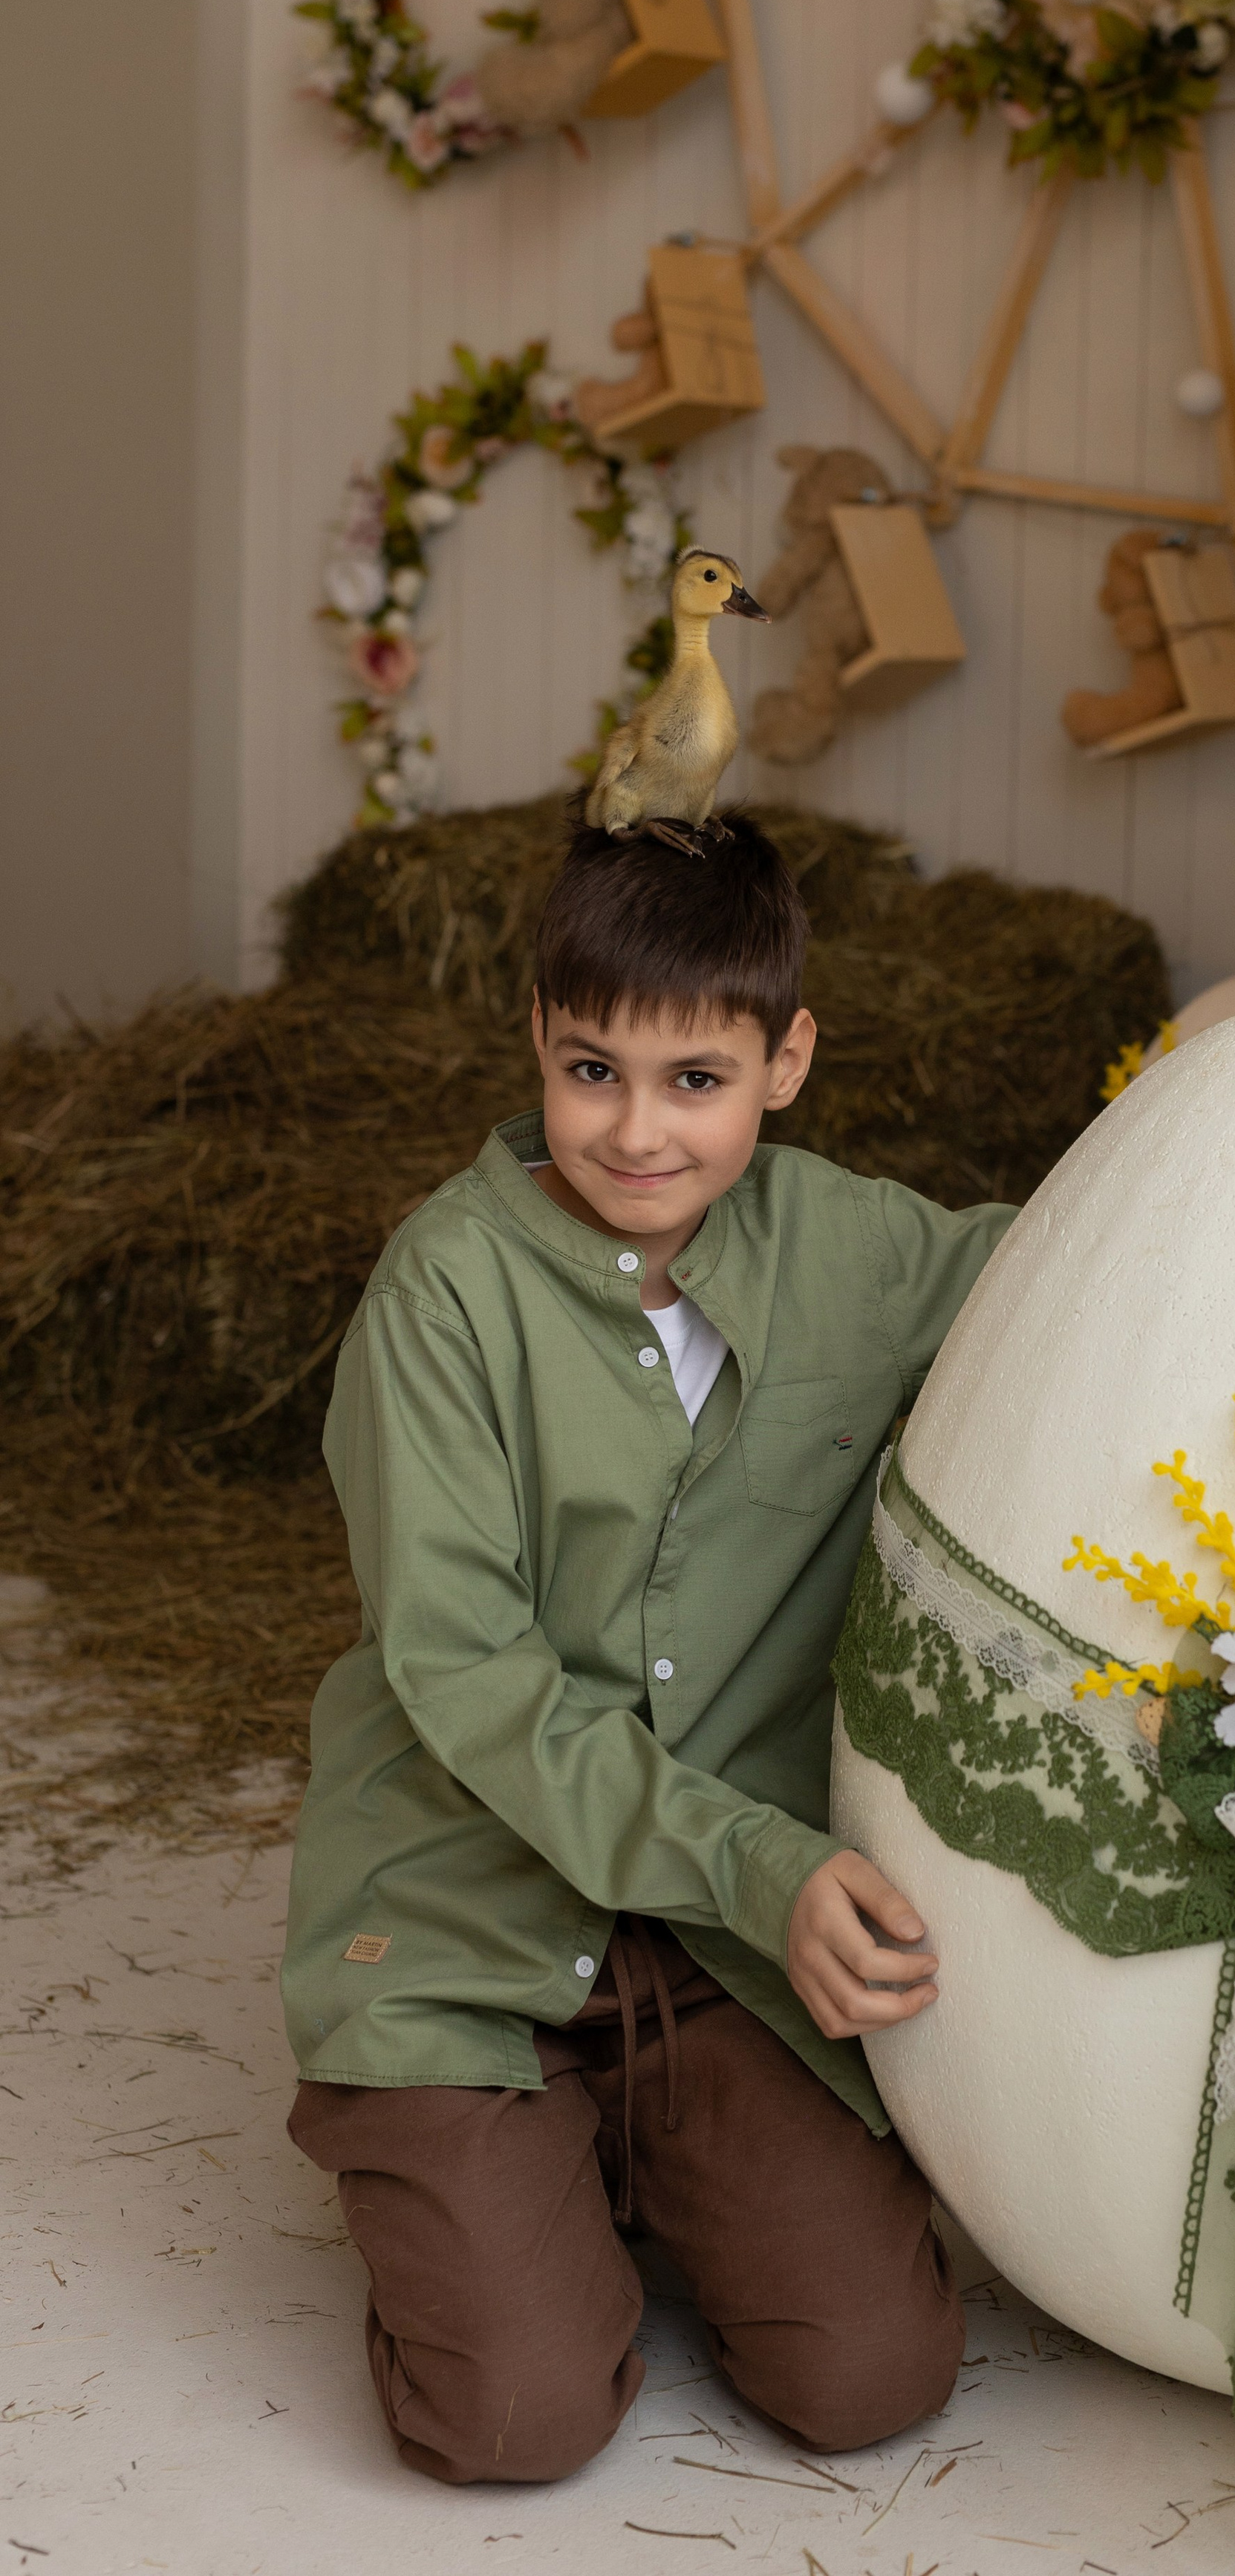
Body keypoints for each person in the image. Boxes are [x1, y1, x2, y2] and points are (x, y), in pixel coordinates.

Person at [281, 808, 1015, 2485]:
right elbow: (471, 1679)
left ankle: (615, 2154)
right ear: (538, 1035)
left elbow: (1109, 1254)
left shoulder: (861, 1251)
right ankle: (458, 2153)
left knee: (873, 2375)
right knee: (518, 2419)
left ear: (786, 1058)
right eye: (591, 1066)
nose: (634, 1128)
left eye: (695, 1079)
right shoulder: (441, 1297)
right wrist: (763, 1864)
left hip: (712, 1957)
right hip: (466, 1928)